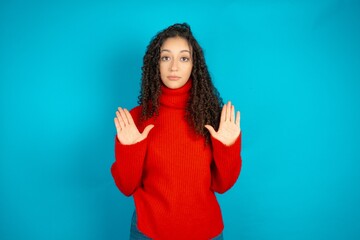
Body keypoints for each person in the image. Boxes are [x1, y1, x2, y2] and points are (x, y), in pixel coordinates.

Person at [111, 23, 242, 240]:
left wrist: (228, 147)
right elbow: (126, 187)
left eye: (183, 58)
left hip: (204, 232)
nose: (174, 67)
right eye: (165, 58)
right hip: (149, 232)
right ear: (156, 64)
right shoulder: (134, 119)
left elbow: (223, 185)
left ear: (194, 65)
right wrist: (129, 149)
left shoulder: (214, 117)